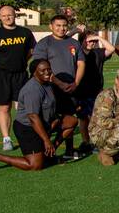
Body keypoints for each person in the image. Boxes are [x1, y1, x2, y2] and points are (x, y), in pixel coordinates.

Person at [0, 60, 76, 173]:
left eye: (49, 69)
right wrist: (46, 140)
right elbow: (33, 117)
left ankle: (49, 154)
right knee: (35, 165)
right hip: (27, 128)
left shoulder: (47, 84)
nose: (47, 72)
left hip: (43, 123)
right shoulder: (32, 90)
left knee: (71, 121)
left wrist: (56, 119)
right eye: (43, 70)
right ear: (34, 72)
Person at [30, 13, 85, 160]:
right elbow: (41, 69)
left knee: (70, 118)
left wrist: (76, 83)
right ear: (51, 26)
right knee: (53, 120)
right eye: (58, 26)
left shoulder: (74, 43)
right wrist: (59, 83)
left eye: (64, 26)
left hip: (71, 88)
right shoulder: (44, 43)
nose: (61, 28)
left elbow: (81, 64)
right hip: (51, 89)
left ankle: (67, 150)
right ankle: (42, 149)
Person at [0, 3, 36, 152]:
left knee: (22, 106)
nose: (7, 17)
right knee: (4, 106)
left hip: (20, 75)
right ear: (0, 17)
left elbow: (31, 50)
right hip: (1, 76)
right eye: (4, 15)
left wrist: (20, 63)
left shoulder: (25, 32)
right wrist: (1, 65)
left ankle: (25, 135)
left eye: (10, 15)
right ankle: (6, 138)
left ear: (15, 16)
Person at [74, 29, 112, 155]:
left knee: (96, 118)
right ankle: (86, 142)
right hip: (81, 90)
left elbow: (111, 49)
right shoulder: (77, 53)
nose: (92, 43)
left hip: (96, 90)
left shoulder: (98, 53)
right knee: (83, 118)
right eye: (88, 40)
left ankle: (95, 142)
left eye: (93, 41)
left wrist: (99, 38)